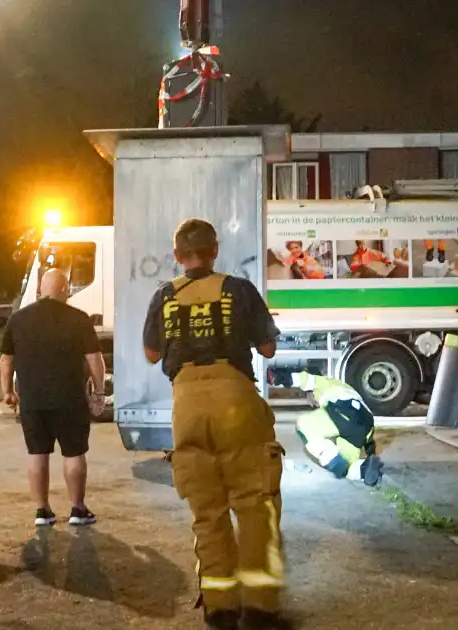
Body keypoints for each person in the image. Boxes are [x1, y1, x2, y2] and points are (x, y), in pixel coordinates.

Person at [143, 219, 290, 630]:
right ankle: (260, 609)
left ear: (177, 256)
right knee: (256, 506)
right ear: (215, 250)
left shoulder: (164, 295)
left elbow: (152, 353)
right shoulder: (239, 290)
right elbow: (267, 347)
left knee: (207, 511)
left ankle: (220, 607)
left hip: (186, 405)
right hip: (236, 400)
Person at [0, 269, 106, 527]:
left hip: (32, 401)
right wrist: (99, 392)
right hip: (70, 398)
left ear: (40, 289)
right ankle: (78, 510)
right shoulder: (79, 318)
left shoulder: (19, 319)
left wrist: (8, 392)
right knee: (74, 453)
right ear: (65, 289)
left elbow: (5, 359)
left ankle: (42, 511)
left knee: (37, 453)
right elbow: (94, 359)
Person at [290, 371, 385, 485]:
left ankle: (332, 459)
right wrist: (371, 453)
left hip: (344, 411)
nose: (311, 403)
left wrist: (282, 378)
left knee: (303, 425)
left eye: (308, 398)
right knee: (348, 466)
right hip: (366, 423)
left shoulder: (322, 383)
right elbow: (369, 438)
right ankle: (364, 469)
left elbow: (304, 379)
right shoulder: (345, 387)